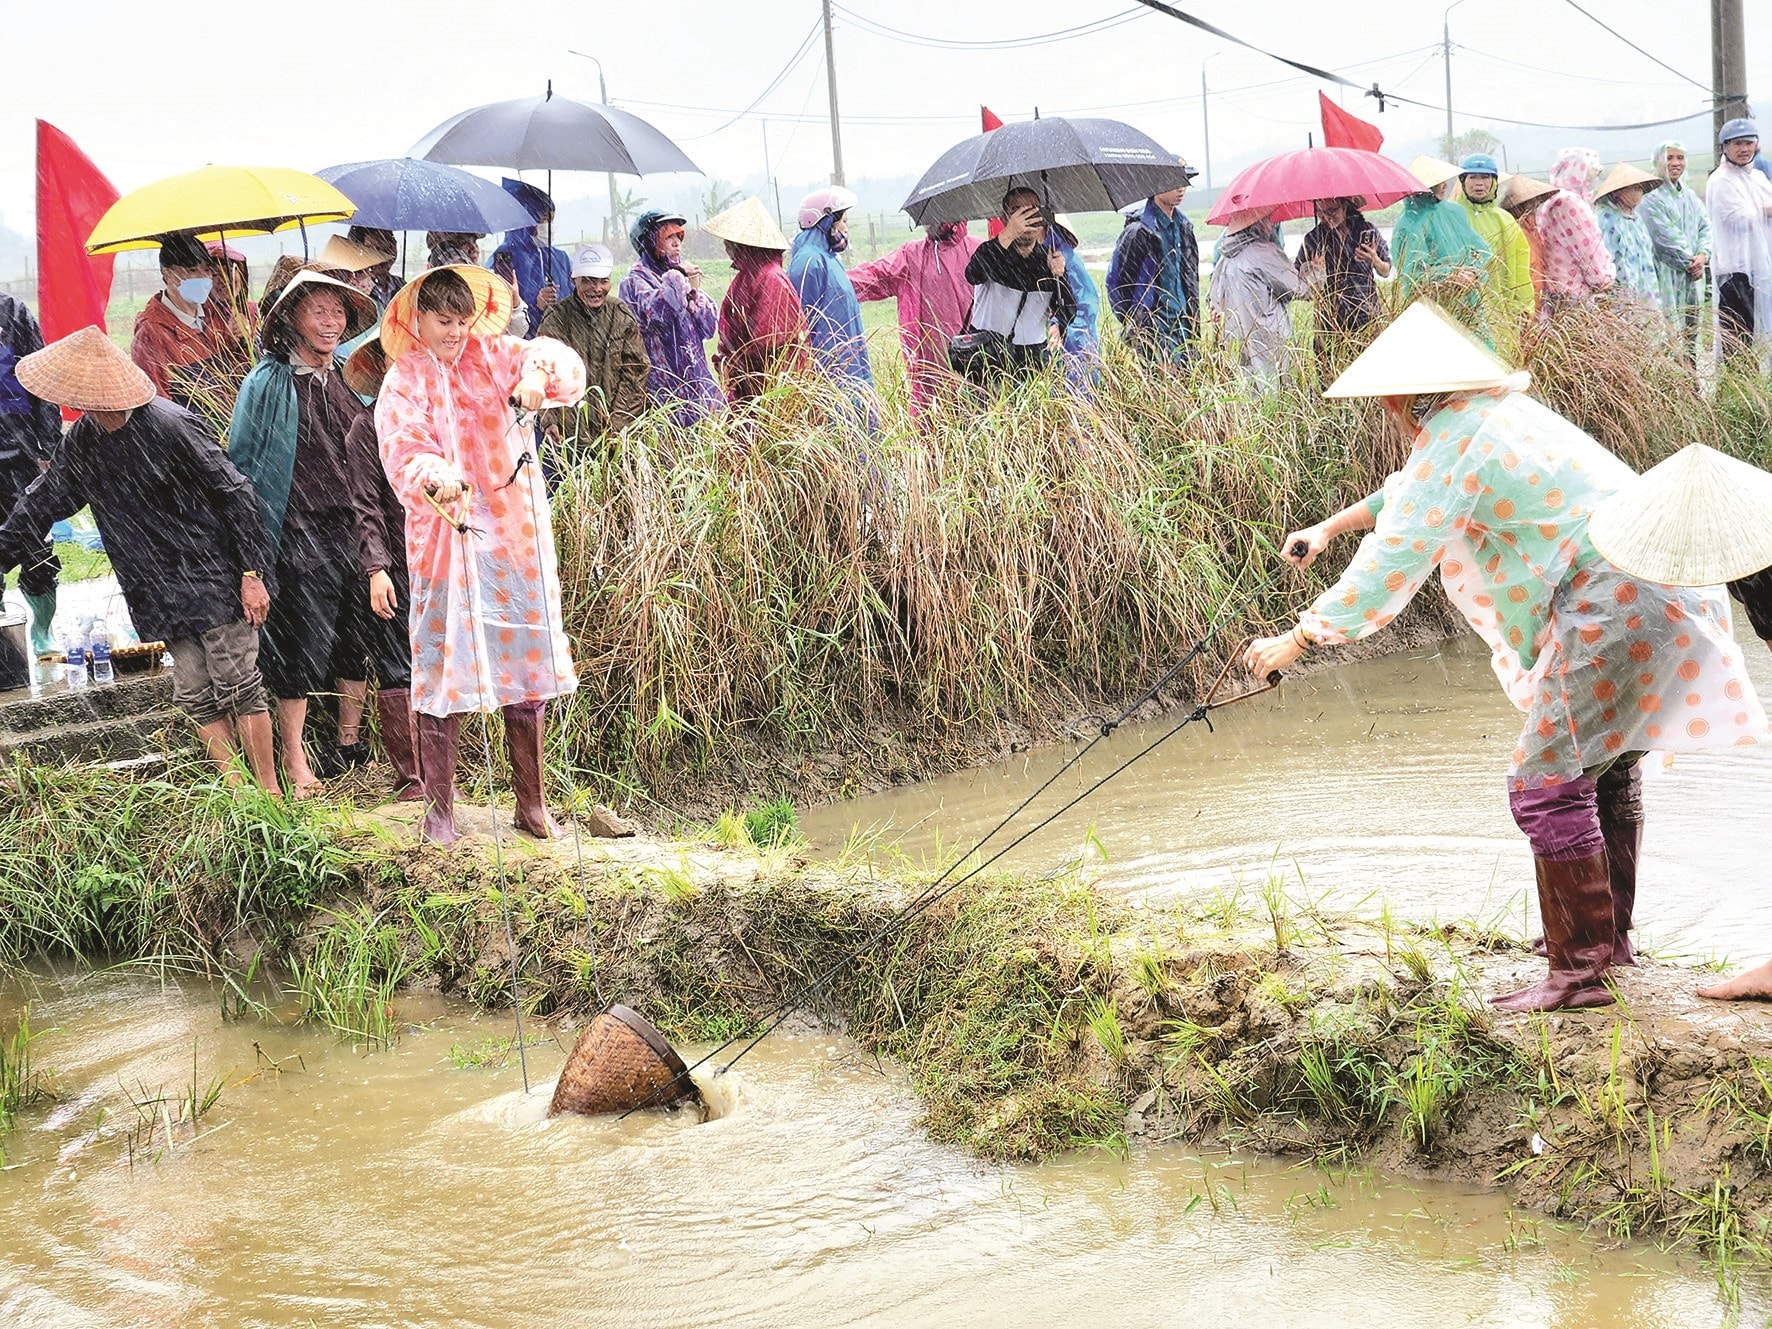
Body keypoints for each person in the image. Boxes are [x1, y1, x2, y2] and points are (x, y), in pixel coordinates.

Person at [1243, 301, 1765, 1012]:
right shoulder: (1496, 417)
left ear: (1399, 398)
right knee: (1602, 765)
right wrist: (1331, 525)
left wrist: (1298, 639)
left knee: (1545, 779)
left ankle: (1582, 971)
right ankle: (1606, 941)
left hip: (1616, 597)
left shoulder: (1456, 439)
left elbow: (1393, 558)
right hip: (1660, 583)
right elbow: (1406, 495)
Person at [1, 328, 276, 785]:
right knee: (192, 691)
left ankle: (271, 789)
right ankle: (240, 792)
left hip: (211, 573)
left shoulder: (170, 424)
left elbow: (236, 493)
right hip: (153, 583)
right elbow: (43, 500)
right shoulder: (84, 440)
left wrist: (252, 572)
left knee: (238, 682)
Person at [375, 266, 586, 845]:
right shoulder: (404, 381)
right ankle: (440, 811)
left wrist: (540, 378)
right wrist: (436, 475)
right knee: (442, 673)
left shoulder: (493, 356)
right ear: (415, 320)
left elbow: (562, 361)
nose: (454, 334)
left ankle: (531, 806)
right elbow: (404, 447)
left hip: (513, 540)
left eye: (462, 322)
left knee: (527, 673)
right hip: (445, 542)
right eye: (443, 322)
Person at [227, 271, 379, 798]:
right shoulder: (266, 383)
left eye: (338, 312)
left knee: (356, 638)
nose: (330, 322)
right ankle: (295, 761)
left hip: (356, 529)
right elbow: (241, 466)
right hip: (298, 533)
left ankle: (348, 743)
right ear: (292, 319)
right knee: (302, 647)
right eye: (317, 311)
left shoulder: (351, 374)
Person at [335, 336, 421, 802]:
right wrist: (376, 569)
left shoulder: (435, 420)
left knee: (438, 665)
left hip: (438, 560)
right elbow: (363, 505)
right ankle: (411, 777)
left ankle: (439, 768)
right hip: (394, 560)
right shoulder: (366, 428)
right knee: (396, 666)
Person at [534, 243, 650, 466]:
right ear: (573, 279)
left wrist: (617, 425)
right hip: (571, 434)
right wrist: (549, 420)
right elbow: (542, 370)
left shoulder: (620, 314)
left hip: (618, 431)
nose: (596, 288)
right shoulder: (557, 318)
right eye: (588, 280)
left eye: (603, 281)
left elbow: (636, 372)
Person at [849, 220, 981, 412]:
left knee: (973, 420)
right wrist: (832, 281)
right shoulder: (911, 255)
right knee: (931, 423)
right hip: (928, 369)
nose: (926, 223)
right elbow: (874, 276)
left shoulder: (978, 251)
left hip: (975, 363)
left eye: (932, 216)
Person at [129, 231, 258, 415]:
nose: (203, 277)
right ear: (169, 274)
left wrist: (240, 341)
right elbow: (157, 406)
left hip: (234, 422)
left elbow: (239, 373)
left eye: (206, 270)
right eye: (192, 271)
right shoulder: (152, 332)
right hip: (193, 434)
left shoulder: (217, 313)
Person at [0, 291, 62, 656]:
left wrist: (50, 447)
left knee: (37, 549)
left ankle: (41, 630)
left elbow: (42, 378)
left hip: (20, 454)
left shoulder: (12, 312)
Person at [961, 188, 1077, 381]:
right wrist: (1008, 233)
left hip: (1031, 361)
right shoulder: (992, 252)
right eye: (1017, 211)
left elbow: (1068, 307)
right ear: (1005, 218)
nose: (1026, 219)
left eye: (1032, 210)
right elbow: (972, 274)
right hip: (986, 357)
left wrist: (1059, 275)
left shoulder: (1047, 259)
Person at [704, 198, 811, 406]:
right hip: (750, 387)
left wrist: (735, 364)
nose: (725, 246)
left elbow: (769, 342)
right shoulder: (746, 276)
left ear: (744, 244)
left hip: (773, 389)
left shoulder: (771, 278)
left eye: (729, 241)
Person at [619, 210, 722, 426]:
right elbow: (659, 313)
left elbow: (709, 327)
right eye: (668, 237)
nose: (677, 244)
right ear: (648, 242)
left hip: (697, 382)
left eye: (678, 237)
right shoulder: (634, 280)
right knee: (672, 448)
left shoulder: (680, 272)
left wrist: (694, 293)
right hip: (663, 385)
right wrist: (679, 278)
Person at [787, 186, 875, 416]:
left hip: (851, 366)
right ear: (826, 223)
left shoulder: (830, 259)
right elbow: (801, 326)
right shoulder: (808, 263)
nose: (845, 229)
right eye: (843, 221)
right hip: (830, 374)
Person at [1107, 165, 1202, 366]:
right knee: (1163, 389)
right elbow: (1117, 284)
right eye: (1174, 182)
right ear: (1155, 184)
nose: (1181, 189)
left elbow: (1191, 279)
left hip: (1184, 325)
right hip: (1156, 328)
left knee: (1189, 387)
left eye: (1184, 182)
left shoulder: (1184, 227)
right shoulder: (1138, 232)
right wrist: (1137, 323)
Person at [1392, 157, 1492, 338]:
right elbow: (1412, 274)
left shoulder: (1453, 212)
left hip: (1467, 302)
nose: (1445, 186)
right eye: (1438, 182)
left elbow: (1480, 248)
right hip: (1431, 306)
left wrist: (1473, 273)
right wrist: (1450, 277)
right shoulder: (1408, 223)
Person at [1208, 209, 1301, 383]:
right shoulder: (1266, 253)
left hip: (1237, 342)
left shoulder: (1225, 256)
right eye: (1266, 219)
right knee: (1275, 395)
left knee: (1247, 394)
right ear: (1255, 224)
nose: (1271, 224)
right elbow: (1297, 288)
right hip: (1270, 342)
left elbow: (1214, 298)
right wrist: (1315, 269)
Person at [1706, 118, 1772, 366]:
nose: (1743, 149)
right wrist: (1766, 210)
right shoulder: (1722, 180)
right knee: (1738, 339)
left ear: (1756, 145)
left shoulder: (1757, 178)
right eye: (1736, 143)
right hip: (1734, 271)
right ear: (1725, 147)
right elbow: (1738, 217)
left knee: (1759, 336)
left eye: (1748, 142)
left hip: (1758, 267)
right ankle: (1736, 396)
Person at [1637, 141, 1711, 355]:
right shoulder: (1650, 198)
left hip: (1693, 276)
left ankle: (1691, 384)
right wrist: (1691, 262)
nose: (1675, 163)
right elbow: (1665, 238)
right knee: (1668, 334)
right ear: (1657, 161)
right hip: (1667, 275)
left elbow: (1705, 226)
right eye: (1669, 158)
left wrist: (1703, 254)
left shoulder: (1689, 196)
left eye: (1680, 158)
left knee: (1691, 333)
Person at [1295, 195, 1391, 359]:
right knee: (1330, 375)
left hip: (1366, 313)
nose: (1326, 217)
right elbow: (1299, 284)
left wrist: (1374, 259)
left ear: (1345, 207)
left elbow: (1386, 271)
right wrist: (1314, 271)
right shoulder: (1313, 239)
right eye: (1321, 212)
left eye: (1332, 211)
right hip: (1330, 320)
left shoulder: (1366, 230)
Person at [1455, 154, 1535, 332]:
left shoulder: (1505, 220)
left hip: (1502, 309)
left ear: (1494, 182)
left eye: (1485, 177)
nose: (1479, 183)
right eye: (1473, 177)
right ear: (1463, 181)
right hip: (1462, 308)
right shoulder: (1451, 216)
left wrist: (1524, 306)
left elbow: (1521, 267)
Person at [489, 179, 572, 337]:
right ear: (527, 220)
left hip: (560, 340)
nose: (550, 226)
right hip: (524, 347)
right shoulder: (504, 259)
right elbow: (501, 314)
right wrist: (536, 306)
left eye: (552, 220)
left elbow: (573, 300)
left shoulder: (561, 258)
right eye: (545, 219)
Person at [1536, 149, 1616, 311]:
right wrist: (1605, 279)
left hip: (1560, 288)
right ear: (1577, 171)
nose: (1594, 178)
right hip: (1575, 292)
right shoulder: (1569, 202)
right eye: (1591, 172)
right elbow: (1589, 250)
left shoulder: (1556, 198)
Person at [1593, 163, 1664, 311]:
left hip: (1646, 289)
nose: (1638, 193)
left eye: (1639, 189)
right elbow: (1606, 257)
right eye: (1633, 188)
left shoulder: (1636, 219)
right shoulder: (1606, 219)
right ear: (1618, 192)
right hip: (1620, 295)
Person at [1050, 216, 1101, 392]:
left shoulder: (1062, 256)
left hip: (1072, 349)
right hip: (1071, 349)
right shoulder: (1052, 253)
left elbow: (1084, 308)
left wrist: (1058, 323)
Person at [1502, 176, 1557, 304]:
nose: (1534, 206)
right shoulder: (1514, 231)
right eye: (1530, 203)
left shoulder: (1533, 230)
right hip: (1527, 299)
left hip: (1540, 295)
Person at [346, 226, 403, 308]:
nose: (384, 256)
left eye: (389, 248)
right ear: (357, 251)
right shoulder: (350, 289)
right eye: (374, 249)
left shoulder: (401, 285)